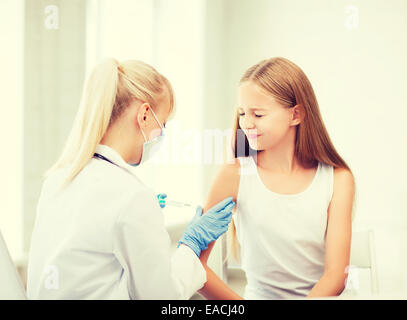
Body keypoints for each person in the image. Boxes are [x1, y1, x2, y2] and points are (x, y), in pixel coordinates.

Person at [26, 58, 235, 300]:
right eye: (163, 123)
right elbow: (161, 297)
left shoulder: (57, 179)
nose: (162, 133)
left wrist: (139, 217)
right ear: (145, 115)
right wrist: (191, 244)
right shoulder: (132, 195)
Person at [198, 57, 355, 300]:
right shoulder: (234, 174)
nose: (246, 123)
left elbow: (336, 276)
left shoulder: (339, 179)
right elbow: (194, 265)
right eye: (242, 113)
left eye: (258, 115)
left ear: (296, 115)